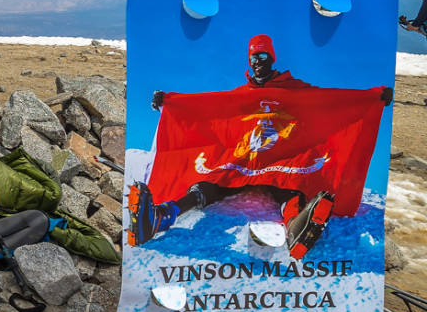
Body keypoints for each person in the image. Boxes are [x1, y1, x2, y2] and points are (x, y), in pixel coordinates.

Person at [130, 34, 392, 259]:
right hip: (245, 164)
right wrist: (170, 103)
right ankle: (162, 216)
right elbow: (212, 115)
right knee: (211, 181)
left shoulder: (294, 90)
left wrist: (372, 98)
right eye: (254, 57)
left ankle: (297, 229)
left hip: (280, 162)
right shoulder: (241, 95)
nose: (258, 62)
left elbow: (327, 104)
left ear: (272, 58)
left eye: (263, 56)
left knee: (290, 186)